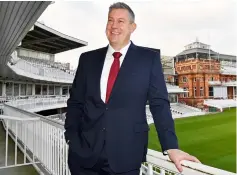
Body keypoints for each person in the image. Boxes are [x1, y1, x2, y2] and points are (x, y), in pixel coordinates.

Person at [64, 2, 200, 175]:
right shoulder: (87, 59)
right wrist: (71, 137)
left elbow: (159, 104)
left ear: (132, 27)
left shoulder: (149, 59)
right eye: (110, 20)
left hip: (126, 157)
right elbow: (76, 102)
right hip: (83, 158)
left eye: (120, 21)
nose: (114, 26)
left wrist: (171, 146)